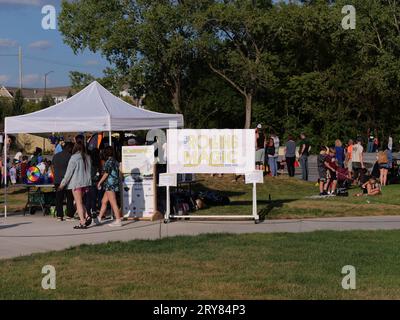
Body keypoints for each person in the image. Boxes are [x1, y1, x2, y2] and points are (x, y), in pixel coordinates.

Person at [59, 139, 92, 229]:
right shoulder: (88, 157)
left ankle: (82, 222)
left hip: (76, 183)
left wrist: (62, 184)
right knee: (78, 202)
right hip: (85, 183)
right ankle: (87, 216)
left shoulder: (74, 158)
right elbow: (89, 171)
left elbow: (69, 173)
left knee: (78, 202)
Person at [96, 146, 123, 227]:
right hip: (113, 183)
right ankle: (99, 218)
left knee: (113, 202)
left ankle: (118, 220)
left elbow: (106, 173)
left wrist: (100, 182)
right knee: (104, 201)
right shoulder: (115, 161)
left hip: (109, 184)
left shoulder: (108, 162)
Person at [52, 142, 75, 221]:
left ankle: (59, 216)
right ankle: (69, 215)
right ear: (69, 148)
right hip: (67, 180)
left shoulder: (55, 156)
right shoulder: (70, 157)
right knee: (69, 198)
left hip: (57, 180)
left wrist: (55, 175)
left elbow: (52, 167)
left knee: (59, 199)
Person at [85, 148, 101, 218]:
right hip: (95, 182)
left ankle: (88, 212)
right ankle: (93, 210)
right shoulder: (97, 162)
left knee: (88, 197)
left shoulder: (88, 161)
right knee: (94, 198)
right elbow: (98, 173)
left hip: (88, 181)